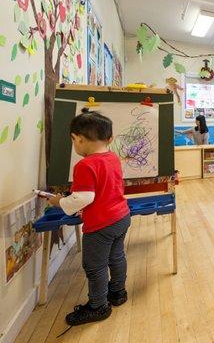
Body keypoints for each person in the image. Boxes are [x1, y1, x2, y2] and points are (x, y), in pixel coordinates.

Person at [48, 109, 130, 326]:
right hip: (122, 216)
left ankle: (98, 306)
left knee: (95, 266)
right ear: (110, 138)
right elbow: (103, 188)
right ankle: (118, 293)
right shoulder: (113, 157)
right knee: (117, 257)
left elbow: (83, 198)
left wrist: (58, 201)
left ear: (78, 138)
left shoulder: (84, 165)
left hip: (101, 224)